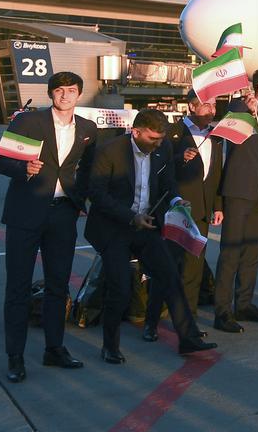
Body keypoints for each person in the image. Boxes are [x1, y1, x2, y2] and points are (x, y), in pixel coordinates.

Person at [85, 110, 218, 363]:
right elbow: (97, 194)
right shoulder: (109, 151)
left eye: (161, 139)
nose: (158, 144)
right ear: (136, 132)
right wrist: (130, 216)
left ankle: (188, 339)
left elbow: (168, 182)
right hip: (114, 228)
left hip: (146, 225)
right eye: (153, 138)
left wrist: (177, 200)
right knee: (120, 288)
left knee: (170, 277)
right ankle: (110, 346)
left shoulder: (163, 147)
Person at [0, 71, 97, 382]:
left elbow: (88, 170)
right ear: (51, 93)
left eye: (71, 90)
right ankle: (15, 356)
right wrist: (23, 168)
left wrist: (79, 199)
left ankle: (54, 348)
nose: (65, 95)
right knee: (18, 287)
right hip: (25, 214)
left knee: (58, 285)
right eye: (59, 90)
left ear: (79, 94)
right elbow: (2, 163)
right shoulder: (28, 121)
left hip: (63, 214)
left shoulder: (88, 129)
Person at [146, 90, 223, 339]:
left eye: (213, 104)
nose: (211, 109)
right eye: (205, 105)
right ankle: (151, 322)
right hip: (175, 210)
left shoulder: (216, 135)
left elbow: (216, 174)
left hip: (202, 212)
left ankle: (189, 323)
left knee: (193, 270)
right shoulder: (172, 132)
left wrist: (217, 205)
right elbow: (157, 167)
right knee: (166, 268)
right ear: (191, 107)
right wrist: (181, 158)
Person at [213, 67, 258, 333]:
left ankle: (243, 304)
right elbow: (229, 118)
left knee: (252, 253)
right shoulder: (242, 107)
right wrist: (245, 107)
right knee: (230, 253)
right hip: (239, 191)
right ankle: (222, 312)